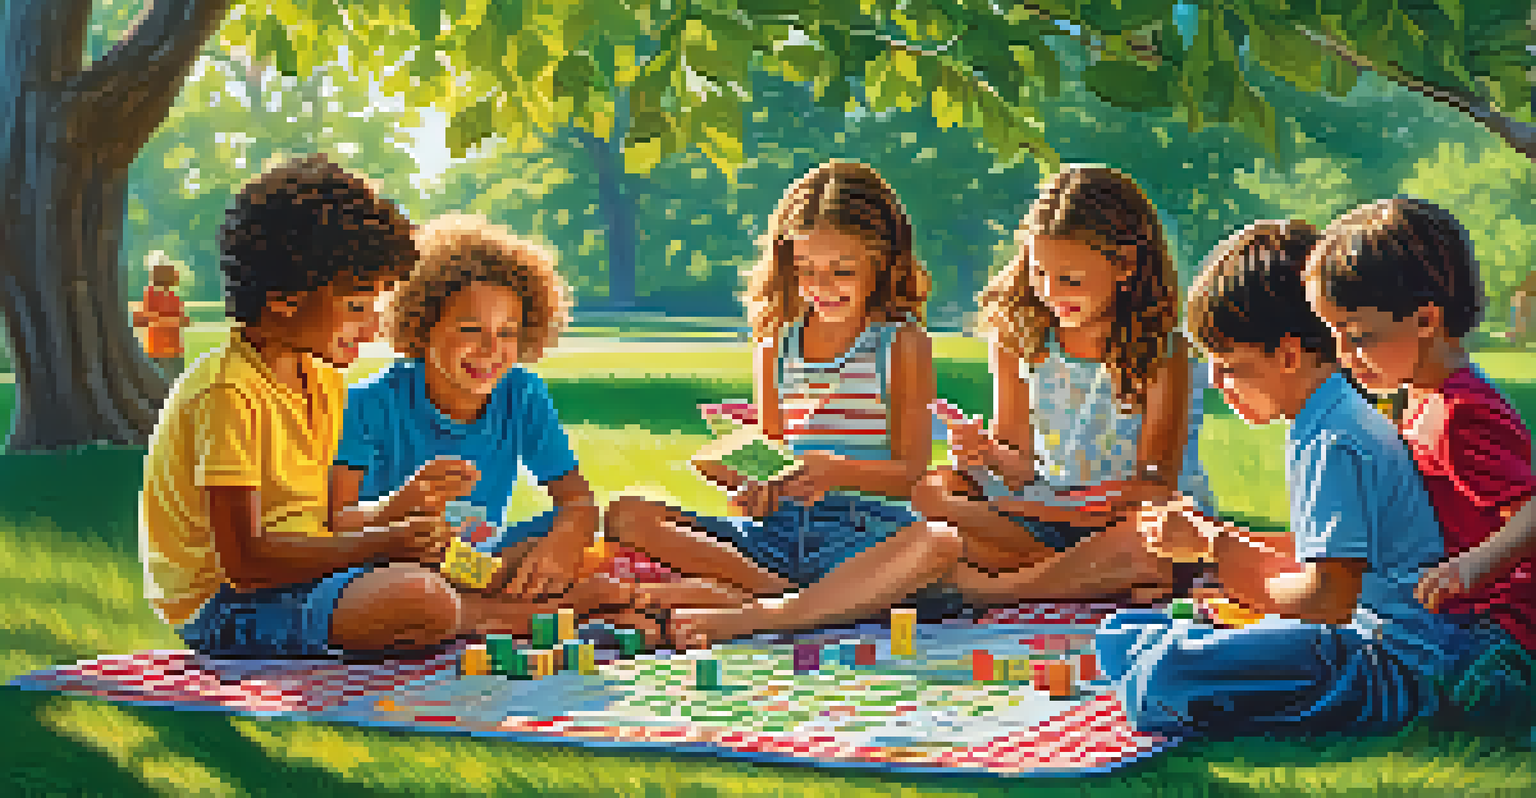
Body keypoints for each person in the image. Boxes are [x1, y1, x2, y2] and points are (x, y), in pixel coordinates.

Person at [139, 155, 633, 659]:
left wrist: (399, 509)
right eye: (357, 307)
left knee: (453, 564)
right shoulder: (228, 395)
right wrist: (387, 543)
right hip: (228, 604)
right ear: (285, 298)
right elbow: (246, 564)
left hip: (316, 571)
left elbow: (330, 521)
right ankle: (530, 618)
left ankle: (503, 604)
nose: (374, 328)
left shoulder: (321, 378)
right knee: (419, 598)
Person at [1093, 219, 1486, 738]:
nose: (1218, 385)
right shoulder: (1326, 417)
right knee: (1126, 633)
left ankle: (1177, 675)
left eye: (1230, 366)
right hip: (1355, 641)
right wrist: (1222, 550)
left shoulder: (1333, 440)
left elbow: (1327, 601)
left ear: (1288, 355)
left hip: (1387, 667)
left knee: (1166, 672)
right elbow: (1324, 559)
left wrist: (1215, 549)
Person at [603, 159, 960, 648]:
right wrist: (757, 488)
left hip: (861, 531)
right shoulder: (776, 345)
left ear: (883, 263)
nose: (823, 287)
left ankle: (767, 613)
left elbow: (910, 471)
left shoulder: (901, 344)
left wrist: (833, 470)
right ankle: (806, 600)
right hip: (777, 532)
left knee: (939, 543)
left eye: (842, 271)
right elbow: (771, 451)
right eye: (808, 270)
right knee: (627, 514)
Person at [332, 214, 739, 630]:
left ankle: (523, 606)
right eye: (471, 329)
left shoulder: (521, 393)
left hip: (484, 562)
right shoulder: (368, 405)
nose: (492, 349)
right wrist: (402, 505)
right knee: (411, 587)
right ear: (421, 327)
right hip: (398, 560)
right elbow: (336, 520)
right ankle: (549, 614)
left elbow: (578, 503)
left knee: (568, 538)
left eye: (508, 333)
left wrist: (561, 546)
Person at [921, 165, 1215, 605]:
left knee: (1154, 541)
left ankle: (998, 586)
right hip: (1044, 512)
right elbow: (1018, 466)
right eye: (1039, 274)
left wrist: (1041, 510)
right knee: (933, 491)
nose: (1050, 292)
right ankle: (1077, 576)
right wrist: (985, 453)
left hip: (1120, 517)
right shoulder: (1020, 340)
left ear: (1125, 267)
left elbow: (1153, 485)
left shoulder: (1162, 353)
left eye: (1070, 280)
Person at [1303, 197, 1536, 653]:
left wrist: (1476, 566)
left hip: (1491, 633)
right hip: (1443, 614)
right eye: (1335, 335)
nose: (1344, 355)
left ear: (1426, 320)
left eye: (1358, 336)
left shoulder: (1459, 414)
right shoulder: (1422, 397)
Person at [133, 254, 191, 381]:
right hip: (158, 350)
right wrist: (171, 321)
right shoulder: (150, 293)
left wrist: (172, 320)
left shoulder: (173, 296)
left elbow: (184, 320)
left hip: (174, 351)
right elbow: (146, 318)